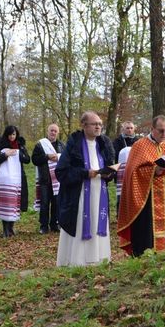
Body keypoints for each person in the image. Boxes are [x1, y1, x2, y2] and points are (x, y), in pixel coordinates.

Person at [118, 115, 165, 256]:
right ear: (152, 129)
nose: (164, 134)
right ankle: (145, 254)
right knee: (146, 230)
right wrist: (153, 171)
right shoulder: (140, 145)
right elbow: (132, 172)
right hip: (146, 197)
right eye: (160, 131)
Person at [55, 111, 115, 266]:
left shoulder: (104, 144)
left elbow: (110, 166)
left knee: (97, 222)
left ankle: (99, 259)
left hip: (99, 194)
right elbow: (61, 172)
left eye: (100, 124)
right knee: (81, 224)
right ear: (84, 125)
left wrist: (109, 174)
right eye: (94, 124)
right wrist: (84, 173)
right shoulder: (74, 144)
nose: (98, 127)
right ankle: (77, 261)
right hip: (79, 195)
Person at [0, 126, 30, 237]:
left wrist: (19, 154)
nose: (12, 137)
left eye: (14, 134)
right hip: (4, 178)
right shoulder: (0, 144)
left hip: (17, 178)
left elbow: (27, 159)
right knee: (5, 203)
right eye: (10, 134)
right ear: (6, 135)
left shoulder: (20, 145)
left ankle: (11, 228)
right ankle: (5, 229)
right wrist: (5, 155)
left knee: (15, 203)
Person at [32, 123, 65, 234]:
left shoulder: (62, 145)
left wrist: (58, 157)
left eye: (55, 131)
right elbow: (34, 160)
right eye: (51, 130)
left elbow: (67, 159)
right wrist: (47, 157)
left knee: (56, 203)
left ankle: (54, 224)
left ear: (58, 133)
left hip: (58, 179)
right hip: (45, 178)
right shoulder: (40, 145)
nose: (53, 133)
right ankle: (43, 226)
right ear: (47, 131)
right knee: (44, 203)